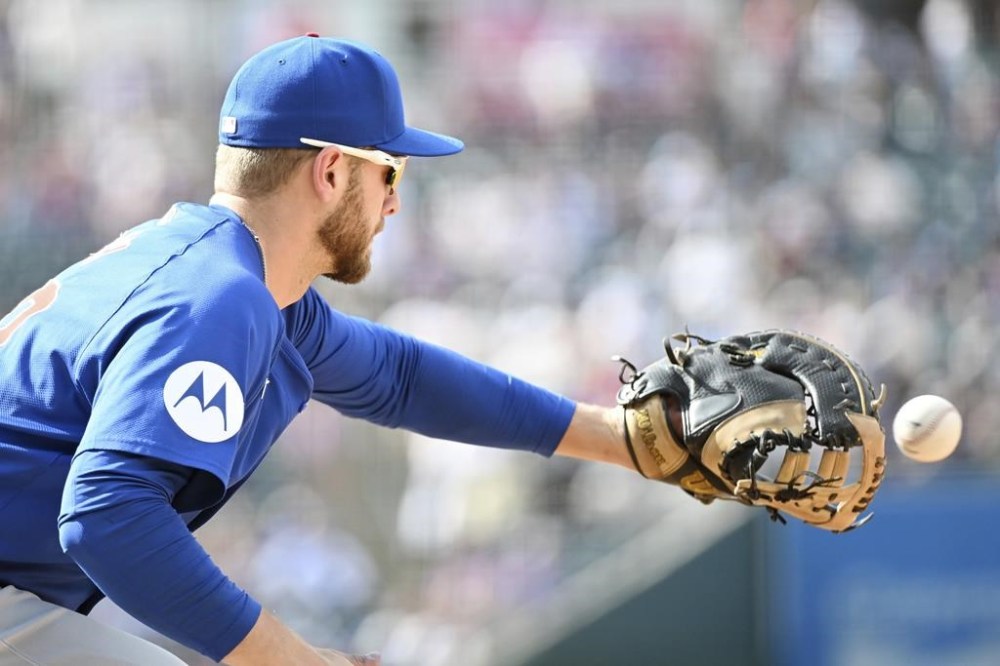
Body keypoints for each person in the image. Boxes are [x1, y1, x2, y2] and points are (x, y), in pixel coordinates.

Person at [0, 34, 633, 665]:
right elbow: (108, 514)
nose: (394, 200)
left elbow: (398, 377)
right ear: (331, 171)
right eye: (390, 169)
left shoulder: (226, 274)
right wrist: (294, 660)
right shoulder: (217, 298)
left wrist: (616, 437)